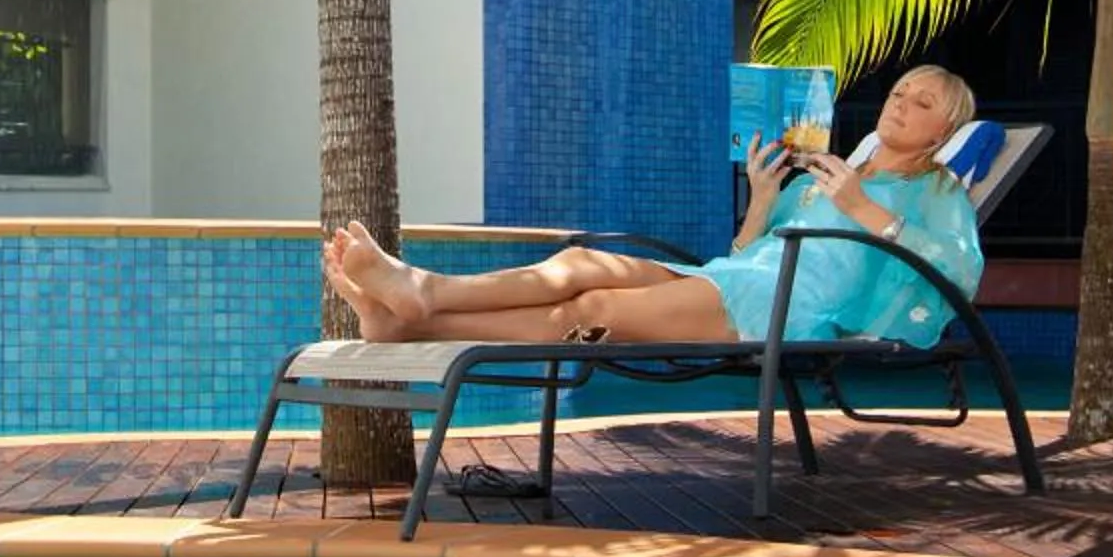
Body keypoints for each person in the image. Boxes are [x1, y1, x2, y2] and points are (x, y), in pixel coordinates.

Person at [323, 65, 988, 348]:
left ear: (943, 132)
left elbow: (959, 274)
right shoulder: (831, 172)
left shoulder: (938, 192)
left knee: (593, 312)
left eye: (922, 103)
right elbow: (746, 253)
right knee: (582, 261)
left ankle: (418, 313)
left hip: (792, 311)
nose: (901, 105)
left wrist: (864, 208)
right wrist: (761, 199)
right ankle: (422, 298)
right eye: (900, 93)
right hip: (741, 280)